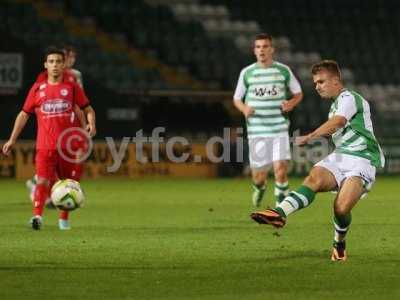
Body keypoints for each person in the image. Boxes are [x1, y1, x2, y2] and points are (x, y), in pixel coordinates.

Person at [251, 60, 385, 261]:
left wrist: (310, 136)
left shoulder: (350, 98)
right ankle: (279, 213)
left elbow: (338, 122)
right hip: (340, 156)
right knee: (314, 178)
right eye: (315, 83)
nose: (317, 87)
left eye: (321, 82)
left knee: (341, 208)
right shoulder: (334, 106)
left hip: (363, 159)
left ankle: (339, 243)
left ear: (336, 81)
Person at [2, 47, 96, 230]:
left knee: (69, 183)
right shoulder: (38, 88)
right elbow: (24, 114)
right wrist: (12, 139)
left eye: (58, 62)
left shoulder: (72, 87)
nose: (55, 65)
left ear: (63, 66)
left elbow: (87, 108)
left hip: (67, 147)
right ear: (46, 65)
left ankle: (63, 220)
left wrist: (91, 123)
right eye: (51, 61)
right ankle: (37, 216)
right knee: (43, 180)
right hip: (45, 146)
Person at [233, 33, 303, 207]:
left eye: (265, 46)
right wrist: (244, 109)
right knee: (259, 176)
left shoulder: (283, 70)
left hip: (279, 128)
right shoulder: (247, 73)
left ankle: (280, 212)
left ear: (272, 49)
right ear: (254, 51)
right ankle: (260, 187)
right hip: (257, 130)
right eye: (258, 47)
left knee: (280, 171)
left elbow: (298, 93)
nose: (261, 50)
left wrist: (291, 103)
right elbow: (236, 99)